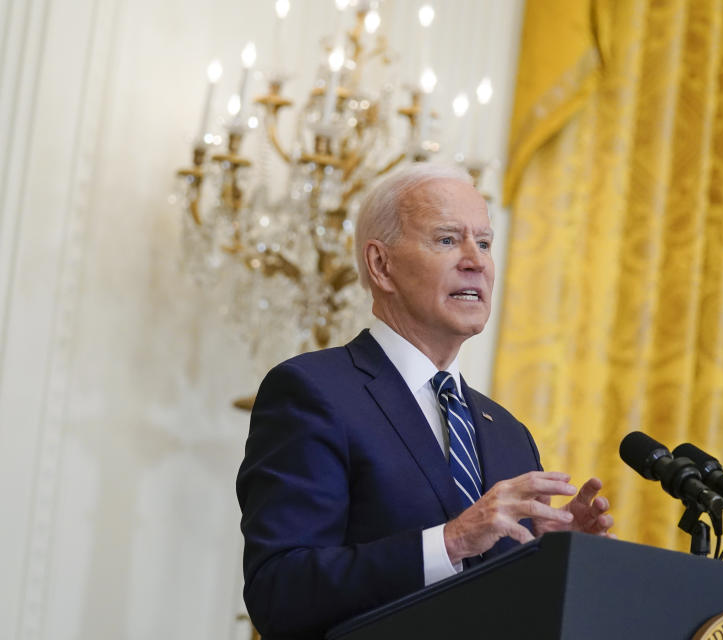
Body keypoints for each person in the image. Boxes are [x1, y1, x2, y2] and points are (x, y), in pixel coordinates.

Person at [236, 164, 614, 638]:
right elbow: (280, 592)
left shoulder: (509, 432)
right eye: (446, 240)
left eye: (485, 243)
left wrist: (551, 562)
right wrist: (451, 541)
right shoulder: (314, 392)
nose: (475, 260)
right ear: (381, 265)